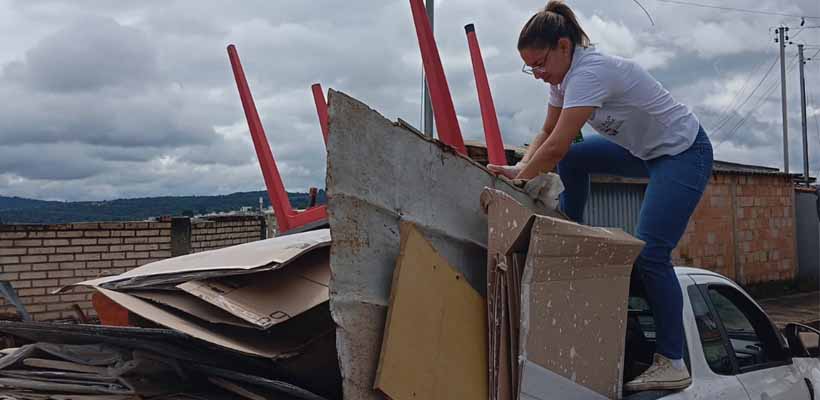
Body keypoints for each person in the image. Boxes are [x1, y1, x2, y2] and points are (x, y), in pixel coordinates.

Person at [488, 0, 713, 392]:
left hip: (682, 153)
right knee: (576, 160)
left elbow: (556, 145)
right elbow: (546, 133)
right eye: (531, 68)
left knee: (652, 253)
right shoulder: (562, 79)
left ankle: (672, 360)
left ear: (563, 46)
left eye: (540, 64)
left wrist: (526, 177)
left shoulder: (590, 73)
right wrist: (517, 169)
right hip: (643, 151)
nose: (538, 74)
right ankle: (568, 225)